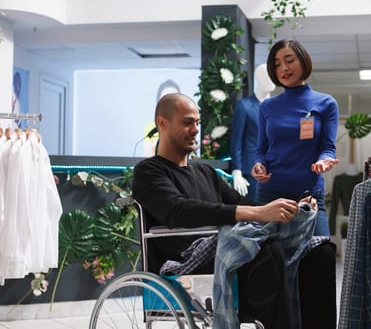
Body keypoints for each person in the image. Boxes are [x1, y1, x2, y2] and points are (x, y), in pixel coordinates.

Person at [132, 93, 336, 328]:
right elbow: (178, 210)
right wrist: (257, 214)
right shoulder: (148, 172)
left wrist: (292, 207)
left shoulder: (205, 172)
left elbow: (245, 204)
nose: (196, 129)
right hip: (189, 263)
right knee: (270, 251)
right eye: (188, 122)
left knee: (321, 252)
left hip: (228, 252)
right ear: (162, 123)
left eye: (198, 122)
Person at [252, 38, 340, 237]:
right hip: (270, 194)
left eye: (289, 60)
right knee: (270, 263)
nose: (283, 67)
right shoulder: (267, 106)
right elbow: (261, 151)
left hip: (308, 196)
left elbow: (327, 147)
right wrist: (259, 165)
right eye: (276, 64)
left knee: (320, 255)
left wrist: (323, 161)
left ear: (303, 60)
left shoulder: (326, 103)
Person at [230, 63, 275, 200]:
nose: (272, 79)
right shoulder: (244, 106)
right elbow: (236, 141)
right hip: (252, 169)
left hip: (276, 169)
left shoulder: (278, 107)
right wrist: (236, 172)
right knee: (256, 211)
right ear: (259, 79)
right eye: (267, 76)